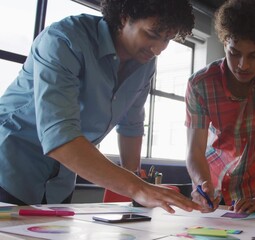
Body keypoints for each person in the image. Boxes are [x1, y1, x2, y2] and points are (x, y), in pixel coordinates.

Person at [0, 0, 201, 213]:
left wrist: (135, 190)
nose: (159, 49)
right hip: (10, 167)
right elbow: (58, 135)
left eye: (167, 39)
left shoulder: (146, 64)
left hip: (61, 182)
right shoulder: (64, 40)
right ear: (124, 17)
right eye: (152, 34)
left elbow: (131, 126)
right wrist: (137, 188)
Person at [185, 0, 255, 213]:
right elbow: (195, 149)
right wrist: (202, 184)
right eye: (234, 53)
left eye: (254, 55)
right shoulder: (200, 84)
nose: (243, 65)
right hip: (211, 182)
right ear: (225, 42)